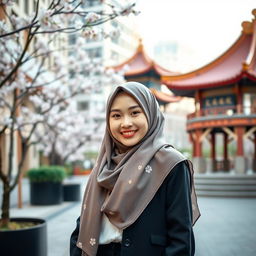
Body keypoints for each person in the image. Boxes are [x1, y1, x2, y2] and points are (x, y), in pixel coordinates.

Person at [70, 81, 200, 256]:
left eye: (135, 113)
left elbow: (180, 238)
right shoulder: (104, 164)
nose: (126, 123)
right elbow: (83, 223)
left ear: (150, 113)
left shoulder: (171, 164)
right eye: (116, 116)